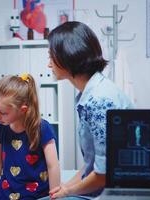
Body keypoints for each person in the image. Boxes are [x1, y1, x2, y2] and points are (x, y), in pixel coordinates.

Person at [47, 21, 134, 199]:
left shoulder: (99, 101)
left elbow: (103, 176)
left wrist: (69, 191)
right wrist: (63, 188)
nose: (49, 64)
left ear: (67, 57)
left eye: (51, 57)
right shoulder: (92, 94)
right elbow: (92, 166)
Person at [0, 74, 60, 199]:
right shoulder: (0, 128)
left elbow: (53, 165)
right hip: (6, 191)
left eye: (2, 112)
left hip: (35, 192)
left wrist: (55, 196)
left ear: (22, 110)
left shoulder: (42, 128)